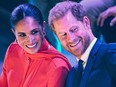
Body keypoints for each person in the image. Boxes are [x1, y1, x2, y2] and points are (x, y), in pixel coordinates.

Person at [0, 4, 71, 87]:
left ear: (43, 27)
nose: (30, 40)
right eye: (22, 35)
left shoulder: (57, 67)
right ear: (14, 33)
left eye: (34, 32)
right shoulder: (13, 50)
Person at [48, 1, 116, 87]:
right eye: (63, 35)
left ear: (86, 23)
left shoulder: (112, 55)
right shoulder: (71, 76)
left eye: (74, 29)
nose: (71, 38)